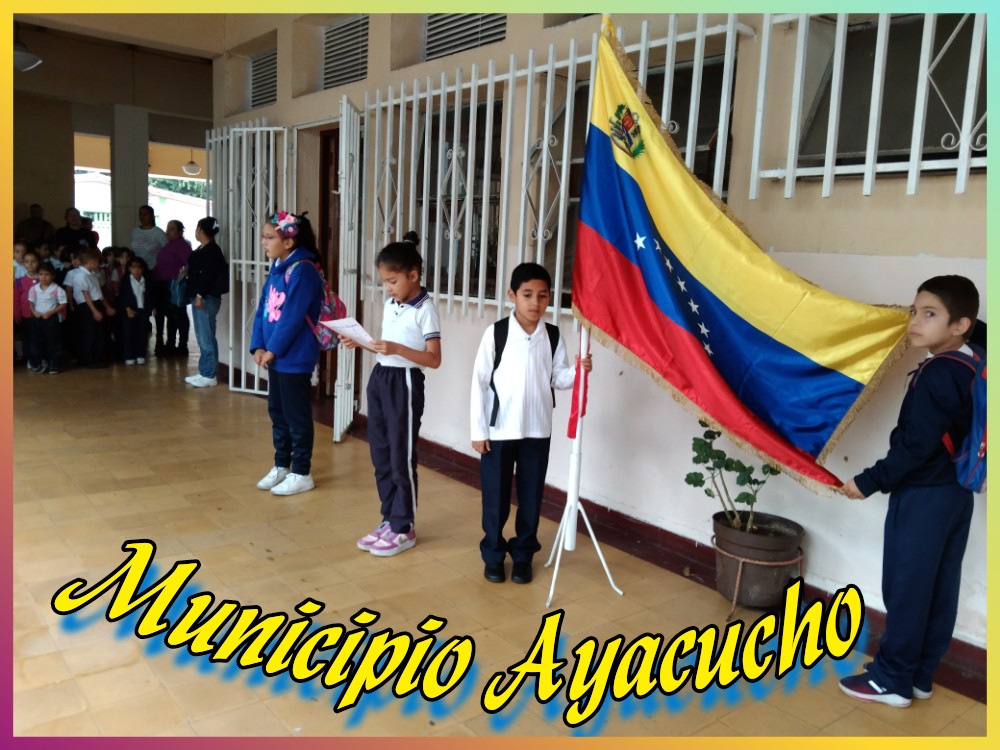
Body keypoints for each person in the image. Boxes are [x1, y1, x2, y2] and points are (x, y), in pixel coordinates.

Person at [840, 275, 981, 708]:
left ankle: (893, 680)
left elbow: (917, 445)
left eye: (929, 314)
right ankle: (919, 674)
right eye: (914, 311)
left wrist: (868, 481)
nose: (914, 322)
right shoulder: (973, 359)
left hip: (923, 496)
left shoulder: (938, 374)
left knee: (907, 588)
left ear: (959, 324)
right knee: (939, 587)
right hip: (957, 495)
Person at [469, 262, 592, 584]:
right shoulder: (495, 333)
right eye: (527, 295)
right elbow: (479, 383)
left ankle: (523, 555)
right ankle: (493, 554)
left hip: (537, 430)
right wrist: (478, 430)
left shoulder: (551, 335)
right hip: (498, 430)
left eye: (542, 296)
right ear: (512, 295)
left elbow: (559, 378)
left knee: (531, 495)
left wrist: (579, 370)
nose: (535, 302)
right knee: (495, 497)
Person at [341, 231, 441, 557]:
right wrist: (361, 342)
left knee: (401, 456)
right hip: (380, 377)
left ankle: (404, 526)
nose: (388, 288)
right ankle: (388, 518)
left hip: (405, 383)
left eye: (393, 281)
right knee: (381, 454)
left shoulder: (425, 308)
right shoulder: (390, 304)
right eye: (384, 281)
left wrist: (398, 348)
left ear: (413, 276)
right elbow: (386, 347)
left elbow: (434, 358)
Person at [250, 211, 325, 497]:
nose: (264, 242)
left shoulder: (304, 270)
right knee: (277, 412)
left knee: (296, 415)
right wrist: (258, 345)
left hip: (294, 357)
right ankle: (282, 464)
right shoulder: (279, 267)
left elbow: (292, 317)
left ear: (289, 242)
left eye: (269, 237)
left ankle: (301, 471)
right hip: (275, 355)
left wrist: (273, 350)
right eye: (264, 237)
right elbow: (263, 311)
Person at [185, 217, 229, 387]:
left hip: (205, 298)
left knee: (206, 336)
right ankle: (204, 371)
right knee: (201, 335)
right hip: (201, 296)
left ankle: (209, 374)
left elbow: (207, 275)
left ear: (200, 230)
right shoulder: (203, 249)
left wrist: (199, 295)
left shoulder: (212, 251)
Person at [130, 205, 169, 354]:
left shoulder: (158, 233)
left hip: (155, 273)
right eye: (140, 214)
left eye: (146, 214)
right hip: (139, 273)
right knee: (140, 304)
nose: (142, 217)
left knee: (157, 306)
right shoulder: (135, 232)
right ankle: (141, 335)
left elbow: (166, 253)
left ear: (152, 215)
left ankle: (159, 336)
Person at [153, 220, 193, 356]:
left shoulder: (181, 245)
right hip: (163, 284)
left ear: (180, 232)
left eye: (172, 229)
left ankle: (181, 345)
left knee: (178, 314)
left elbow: (190, 264)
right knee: (171, 315)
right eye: (168, 228)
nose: (168, 232)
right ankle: (170, 344)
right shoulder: (170, 244)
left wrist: (180, 278)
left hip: (173, 285)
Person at [73, 248, 116, 369]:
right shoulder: (80, 276)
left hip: (96, 303)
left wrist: (106, 307)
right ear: (90, 261)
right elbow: (85, 294)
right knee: (89, 333)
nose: (98, 263)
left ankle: (97, 357)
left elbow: (98, 293)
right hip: (87, 306)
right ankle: (87, 359)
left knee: (98, 333)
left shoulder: (92, 274)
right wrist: (94, 311)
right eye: (97, 261)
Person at [28, 261, 67, 374]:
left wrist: (51, 312)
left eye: (47, 274)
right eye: (41, 274)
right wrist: (34, 312)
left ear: (52, 276)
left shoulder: (57, 289)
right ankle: (39, 363)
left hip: (51, 319)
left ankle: (54, 364)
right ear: (37, 275)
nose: (43, 277)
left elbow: (63, 304)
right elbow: (31, 302)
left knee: (53, 342)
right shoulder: (34, 289)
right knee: (36, 342)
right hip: (38, 318)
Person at [118, 256, 151, 366]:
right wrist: (127, 308)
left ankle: (140, 354)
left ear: (143, 269)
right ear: (129, 269)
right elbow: (122, 296)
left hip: (142, 310)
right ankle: (128, 355)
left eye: (139, 268)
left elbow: (151, 296)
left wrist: (151, 308)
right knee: (128, 333)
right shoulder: (125, 281)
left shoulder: (146, 280)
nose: (136, 270)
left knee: (142, 333)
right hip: (129, 310)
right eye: (133, 267)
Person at [13, 249, 41, 371]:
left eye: (33, 261)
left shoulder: (43, 279)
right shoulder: (19, 282)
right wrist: (16, 313)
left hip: (41, 314)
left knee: (40, 337)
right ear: (23, 263)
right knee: (28, 338)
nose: (30, 264)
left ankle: (40, 358)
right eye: (27, 262)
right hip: (26, 315)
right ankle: (30, 358)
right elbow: (16, 299)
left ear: (38, 262)